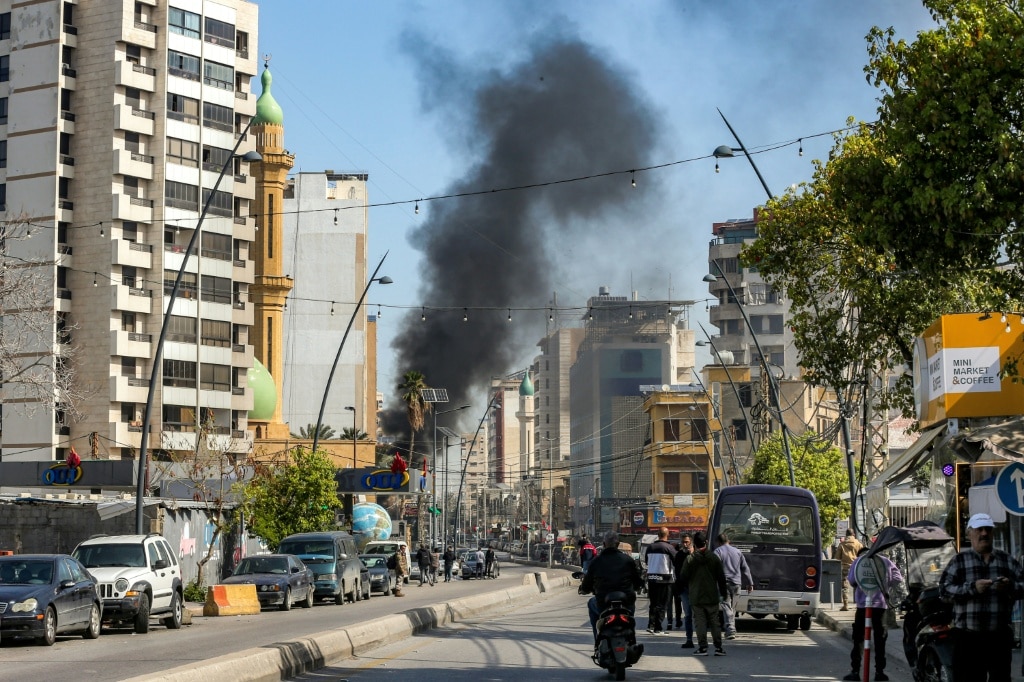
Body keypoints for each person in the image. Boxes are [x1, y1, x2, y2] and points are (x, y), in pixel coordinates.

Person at [939, 512, 1024, 682]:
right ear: (970, 534)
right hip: (968, 639)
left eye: (988, 529)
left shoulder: (1006, 561)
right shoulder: (959, 561)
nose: (984, 533)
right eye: (979, 529)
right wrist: (972, 588)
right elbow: (944, 591)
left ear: (992, 533)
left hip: (998, 638)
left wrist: (1010, 587)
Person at [843, 547, 903, 682]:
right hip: (880, 606)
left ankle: (855, 671)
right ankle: (879, 672)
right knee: (880, 640)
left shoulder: (857, 562)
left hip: (863, 606)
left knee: (858, 639)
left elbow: (852, 581)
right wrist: (884, 583)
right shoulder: (885, 561)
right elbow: (898, 579)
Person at [579, 530, 644, 645]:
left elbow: (587, 584)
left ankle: (597, 641)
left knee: (591, 603)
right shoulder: (628, 560)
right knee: (630, 617)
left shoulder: (596, 561)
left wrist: (584, 589)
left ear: (604, 544)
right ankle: (631, 640)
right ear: (618, 544)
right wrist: (639, 586)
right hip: (626, 602)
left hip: (603, 603)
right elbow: (638, 581)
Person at [682, 531, 728, 657]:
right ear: (706, 543)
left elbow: (683, 577)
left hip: (696, 597)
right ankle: (718, 647)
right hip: (712, 596)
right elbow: (721, 578)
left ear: (694, 544)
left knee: (700, 622)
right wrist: (724, 593)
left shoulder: (690, 559)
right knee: (715, 622)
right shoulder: (714, 558)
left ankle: (703, 648)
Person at [714, 533, 754, 639]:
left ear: (718, 542)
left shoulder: (717, 551)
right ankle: (730, 629)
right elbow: (745, 568)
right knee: (733, 607)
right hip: (737, 584)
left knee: (725, 605)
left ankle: (730, 629)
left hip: (723, 584)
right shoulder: (737, 551)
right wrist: (750, 583)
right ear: (729, 541)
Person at [644, 527, 676, 634]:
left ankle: (650, 625)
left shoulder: (650, 547)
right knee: (663, 604)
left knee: (653, 603)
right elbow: (676, 561)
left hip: (652, 578)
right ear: (668, 534)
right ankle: (658, 627)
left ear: (658, 534)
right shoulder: (669, 548)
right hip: (665, 579)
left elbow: (646, 561)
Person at [671, 533, 695, 648]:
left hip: (696, 589)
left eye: (687, 542)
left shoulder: (696, 554)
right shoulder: (679, 555)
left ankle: (702, 640)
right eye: (683, 542)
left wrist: (692, 555)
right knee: (688, 615)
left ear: (691, 542)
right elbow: (677, 571)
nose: (685, 544)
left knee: (699, 615)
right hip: (684, 589)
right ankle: (689, 639)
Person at [836, 528, 863, 611]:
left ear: (846, 535)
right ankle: (859, 604)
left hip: (846, 567)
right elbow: (862, 555)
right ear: (853, 534)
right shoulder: (858, 544)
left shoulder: (842, 544)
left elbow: (837, 557)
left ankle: (846, 605)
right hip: (856, 567)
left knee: (845, 586)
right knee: (858, 585)